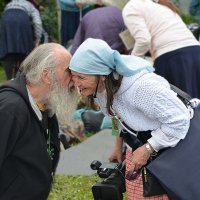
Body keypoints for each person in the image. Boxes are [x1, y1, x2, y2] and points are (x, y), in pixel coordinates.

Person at [69, 38, 193, 199]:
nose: (76, 83)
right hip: (143, 143)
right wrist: (118, 145)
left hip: (177, 144)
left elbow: (180, 120)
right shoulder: (100, 90)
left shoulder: (141, 88)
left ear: (102, 74)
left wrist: (148, 149)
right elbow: (116, 118)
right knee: (138, 192)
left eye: (81, 77)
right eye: (73, 76)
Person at [0, 43, 78, 199]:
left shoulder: (45, 107)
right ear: (46, 76)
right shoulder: (10, 109)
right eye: (68, 71)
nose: (74, 80)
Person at [122, 0, 200, 99]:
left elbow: (144, 40)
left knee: (183, 108)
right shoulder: (161, 5)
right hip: (195, 51)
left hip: (173, 58)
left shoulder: (132, 7)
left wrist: (132, 65)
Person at [0, 0, 43, 80]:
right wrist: (37, 41)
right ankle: (24, 78)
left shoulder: (10, 3)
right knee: (26, 52)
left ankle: (10, 80)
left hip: (6, 18)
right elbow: (37, 23)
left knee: (7, 50)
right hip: (22, 20)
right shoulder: (32, 6)